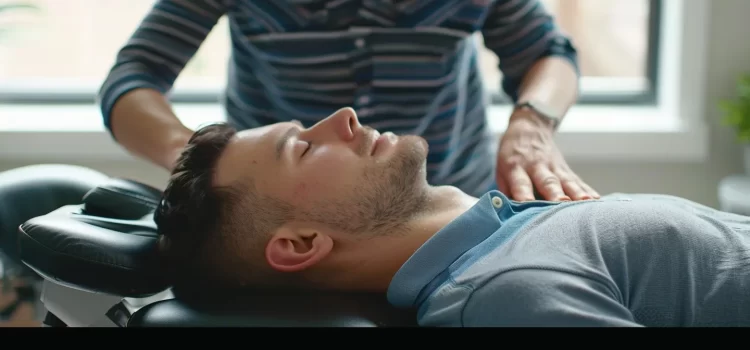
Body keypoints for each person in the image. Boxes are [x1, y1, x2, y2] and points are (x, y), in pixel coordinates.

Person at [154, 107, 750, 327]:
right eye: (304, 147)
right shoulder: (505, 291)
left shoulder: (509, 240)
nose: (344, 117)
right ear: (302, 240)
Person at [98, 0, 599, 202]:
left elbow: (548, 53)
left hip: (457, 194)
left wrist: (532, 125)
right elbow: (135, 75)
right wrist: (201, 162)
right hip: (292, 209)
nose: (348, 124)